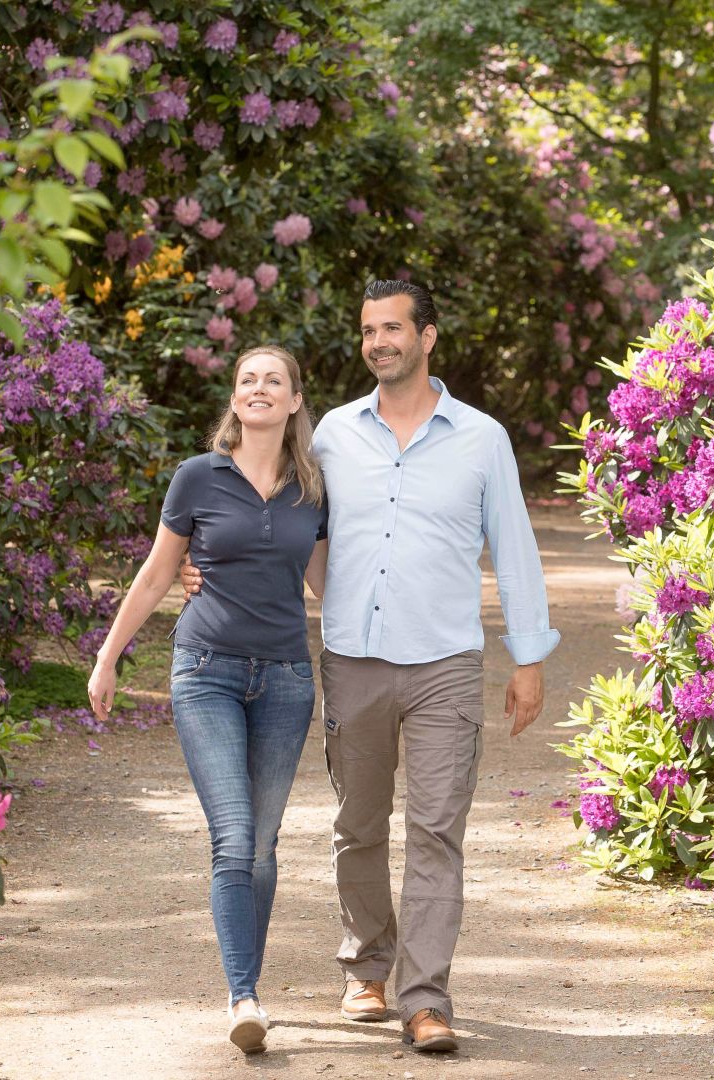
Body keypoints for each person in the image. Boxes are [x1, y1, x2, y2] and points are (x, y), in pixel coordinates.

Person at [186, 280, 559, 1052]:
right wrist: (201, 571)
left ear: (428, 337)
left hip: (446, 663)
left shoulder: (482, 437)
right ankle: (365, 968)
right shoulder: (329, 439)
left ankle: (425, 1000)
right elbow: (267, 521)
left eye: (393, 328)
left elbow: (515, 550)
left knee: (435, 831)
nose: (378, 341)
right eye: (367, 330)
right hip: (352, 659)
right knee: (358, 825)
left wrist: (529, 659)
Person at [86, 344, 328, 1056]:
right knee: (233, 836)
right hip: (205, 671)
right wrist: (108, 656)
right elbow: (159, 572)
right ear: (234, 399)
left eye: (274, 380)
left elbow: (328, 588)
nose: (259, 388)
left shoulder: (312, 490)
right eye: (247, 379)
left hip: (286, 677)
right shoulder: (197, 477)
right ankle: (244, 994)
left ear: (292, 402)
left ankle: (247, 984)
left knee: (262, 845)